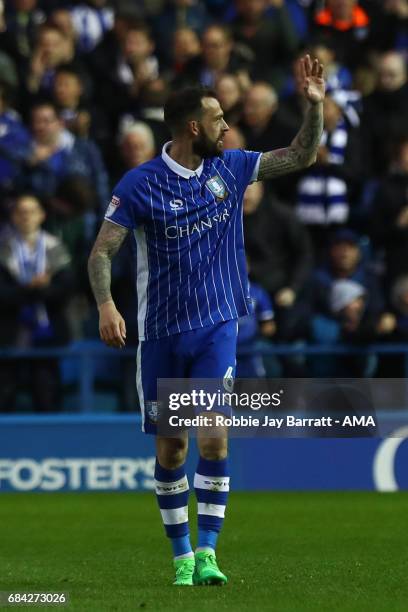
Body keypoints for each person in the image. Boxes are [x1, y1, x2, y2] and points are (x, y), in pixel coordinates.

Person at [88, 55, 325, 586]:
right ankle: (182, 557)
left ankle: (211, 552)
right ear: (194, 126)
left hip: (217, 327)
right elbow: (102, 252)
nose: (227, 126)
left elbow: (303, 154)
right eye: (219, 118)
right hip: (162, 334)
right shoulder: (139, 184)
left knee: (214, 437)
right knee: (172, 447)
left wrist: (314, 107)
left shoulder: (232, 166)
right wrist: (106, 304)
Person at [0, 193, 74, 412]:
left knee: (46, 389)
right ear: (13, 217)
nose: (26, 217)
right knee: (5, 390)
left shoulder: (55, 248)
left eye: (31, 211)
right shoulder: (4, 249)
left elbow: (67, 289)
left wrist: (42, 290)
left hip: (47, 330)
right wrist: (29, 288)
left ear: (41, 215)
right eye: (20, 212)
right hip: (10, 331)